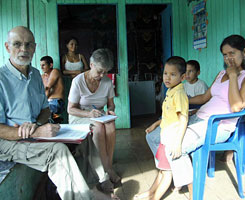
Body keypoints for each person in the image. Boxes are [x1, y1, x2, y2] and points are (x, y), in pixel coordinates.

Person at [0, 26, 116, 200]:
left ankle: (99, 181)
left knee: (86, 138)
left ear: (34, 48)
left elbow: (45, 110)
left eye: (28, 45)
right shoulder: (2, 79)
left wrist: (38, 125)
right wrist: (36, 131)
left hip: (34, 132)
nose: (23, 49)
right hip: (9, 140)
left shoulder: (35, 75)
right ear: (8, 47)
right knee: (58, 150)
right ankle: (86, 196)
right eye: (17, 44)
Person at [143, 34, 245, 200]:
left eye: (232, 53)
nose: (228, 58)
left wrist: (234, 76)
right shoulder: (221, 74)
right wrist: (181, 101)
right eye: (225, 55)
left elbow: (236, 107)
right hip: (198, 117)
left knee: (174, 146)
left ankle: (192, 194)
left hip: (217, 126)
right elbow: (205, 98)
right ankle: (167, 175)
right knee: (153, 137)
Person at [134, 56, 189, 200]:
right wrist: (156, 124)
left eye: (173, 74)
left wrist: (178, 143)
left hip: (171, 141)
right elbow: (168, 116)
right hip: (165, 137)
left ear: (182, 77)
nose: (167, 78)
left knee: (166, 173)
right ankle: (151, 192)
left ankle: (155, 198)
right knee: (162, 170)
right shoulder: (170, 91)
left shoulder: (179, 94)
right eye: (165, 73)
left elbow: (183, 119)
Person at [67, 48, 121, 188]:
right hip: (79, 116)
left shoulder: (107, 82)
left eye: (105, 72)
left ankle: (108, 165)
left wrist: (110, 111)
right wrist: (88, 114)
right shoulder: (78, 81)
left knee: (110, 125)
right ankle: (103, 172)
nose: (102, 75)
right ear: (91, 65)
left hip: (99, 115)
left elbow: (111, 105)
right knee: (98, 127)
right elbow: (70, 109)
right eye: (99, 71)